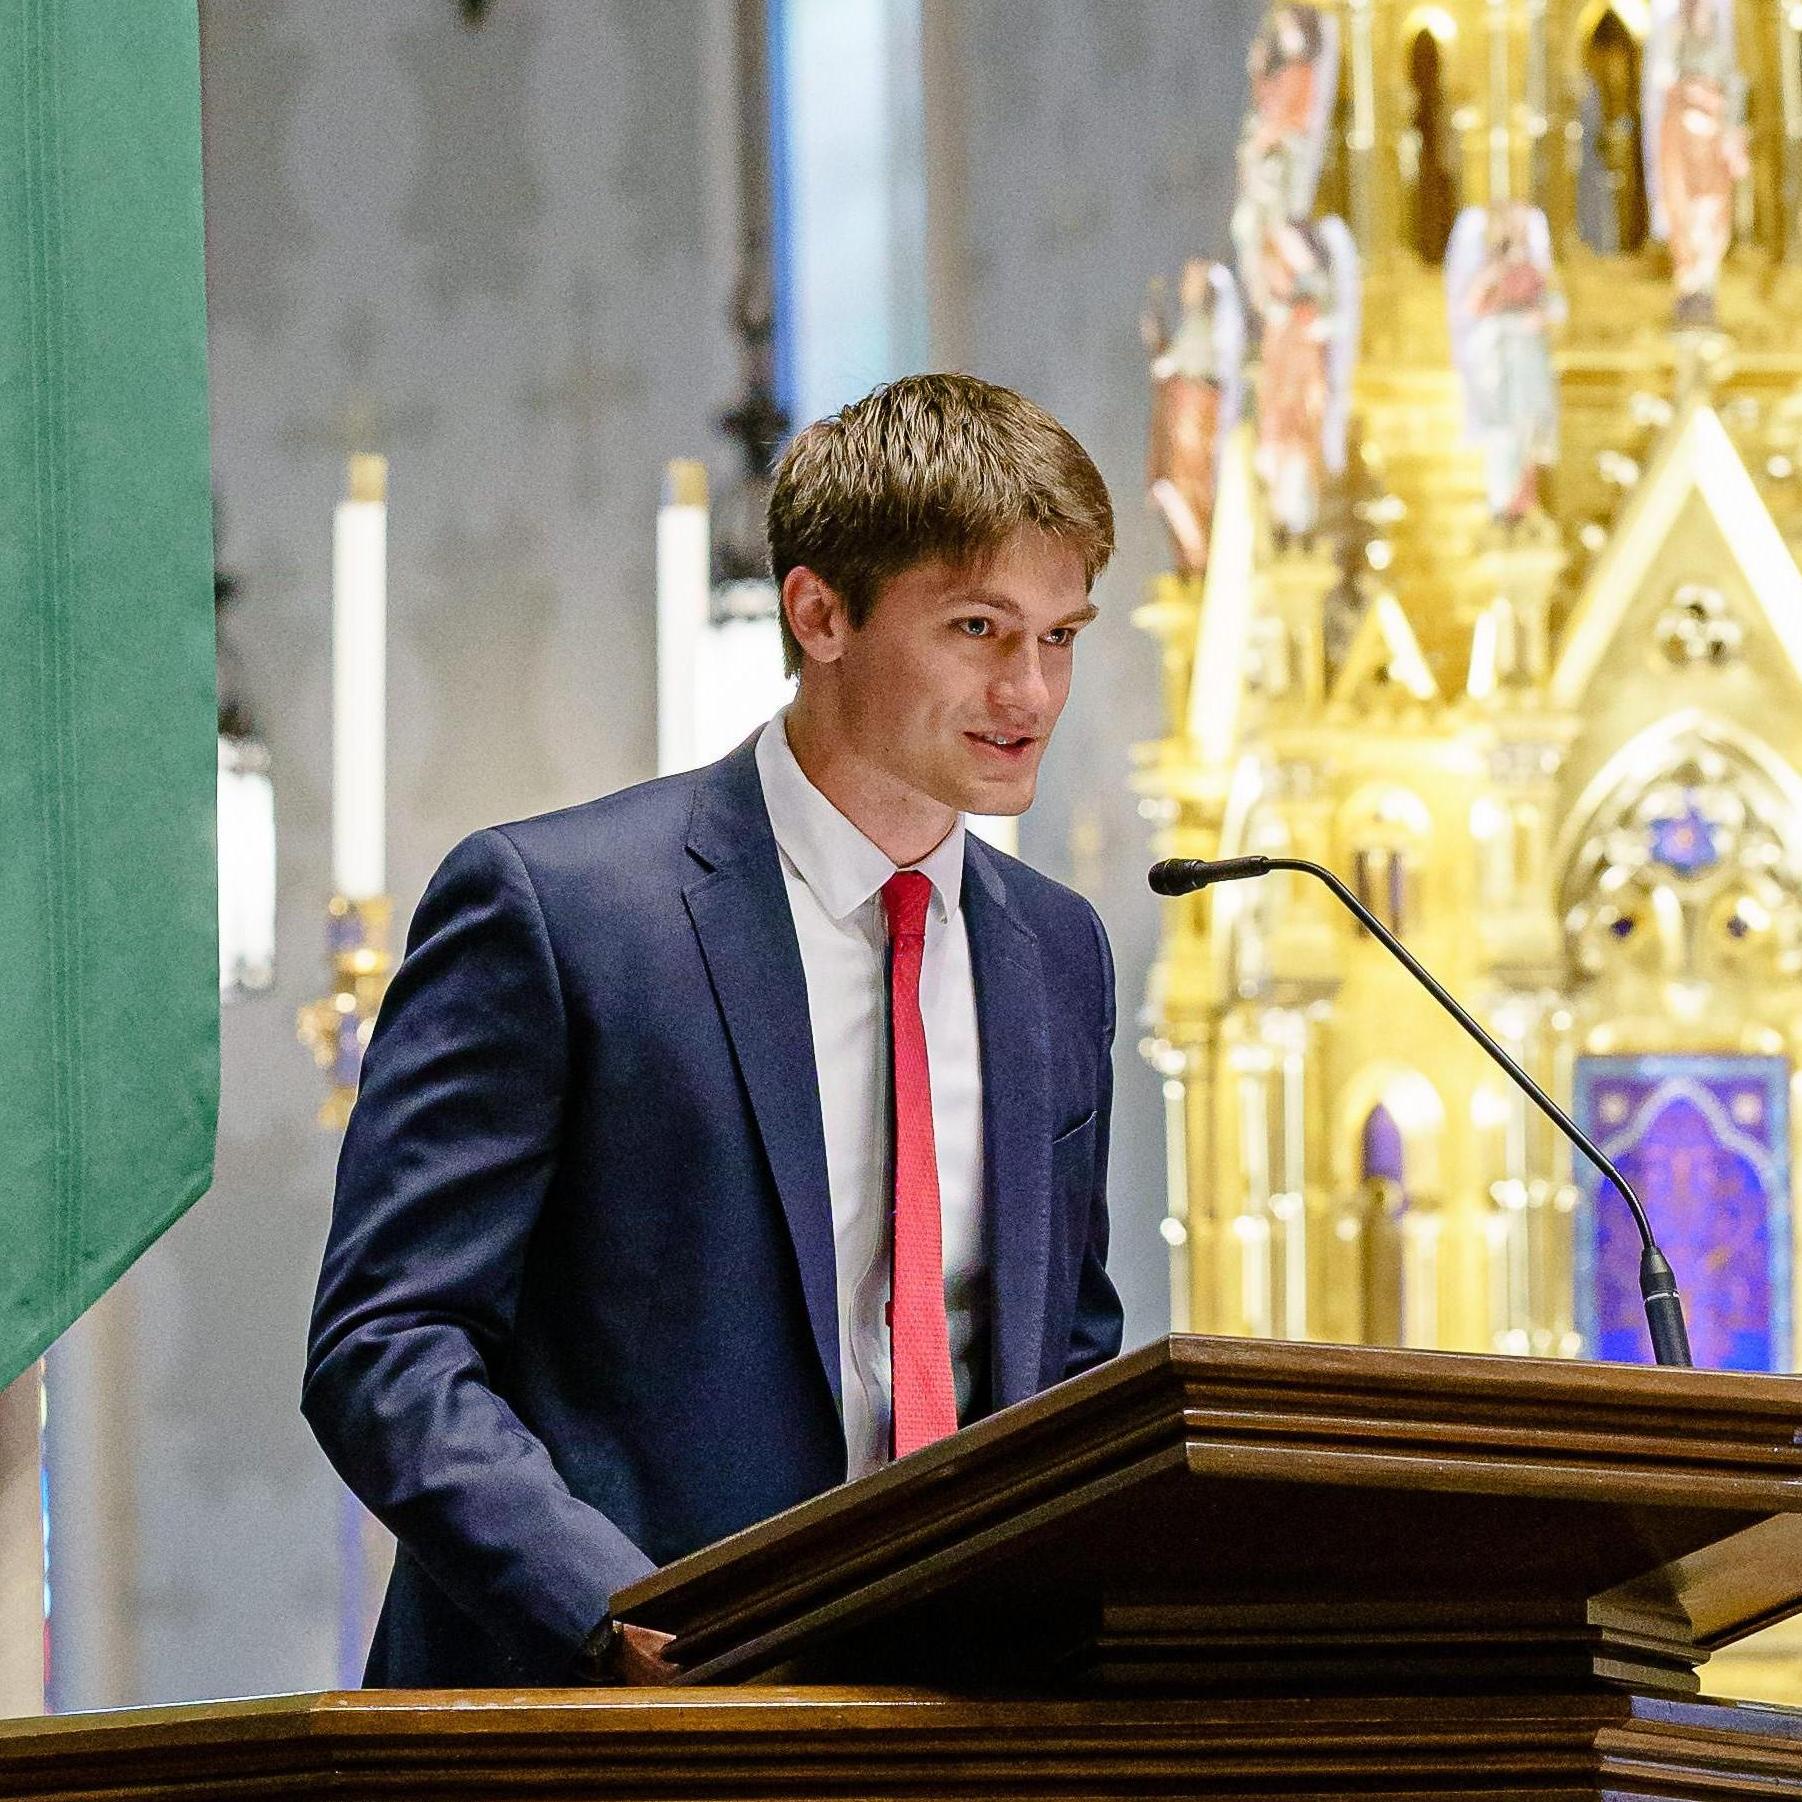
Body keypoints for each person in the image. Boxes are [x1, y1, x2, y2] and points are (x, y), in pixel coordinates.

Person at [302, 373, 1125, 1688]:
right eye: (978, 627)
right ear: (820, 612)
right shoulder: (560, 910)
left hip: (952, 1722)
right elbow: (387, 1344)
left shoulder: (1055, 951)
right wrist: (606, 1607)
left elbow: (1061, 1342)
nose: (1028, 688)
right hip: (603, 1721)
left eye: (1061, 634)